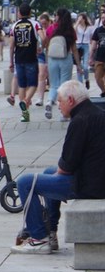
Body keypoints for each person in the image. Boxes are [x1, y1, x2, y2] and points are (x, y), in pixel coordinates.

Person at [12, 80, 105, 254]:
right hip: (96, 179)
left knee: (26, 182)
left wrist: (56, 176)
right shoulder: (98, 113)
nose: (58, 106)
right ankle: (51, 232)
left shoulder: (80, 121)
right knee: (49, 172)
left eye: (59, 102)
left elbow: (67, 167)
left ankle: (39, 238)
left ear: (70, 100)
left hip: (89, 186)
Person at [43, 9, 81, 121]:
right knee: (64, 86)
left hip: (52, 59)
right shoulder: (70, 30)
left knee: (54, 85)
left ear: (58, 17)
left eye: (56, 15)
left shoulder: (51, 28)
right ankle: (64, 115)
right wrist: (78, 64)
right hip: (66, 58)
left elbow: (45, 43)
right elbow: (74, 49)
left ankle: (50, 101)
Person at [9, 3, 42, 123]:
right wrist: (41, 46)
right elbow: (42, 36)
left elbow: (11, 45)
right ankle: (26, 100)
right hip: (31, 58)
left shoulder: (14, 26)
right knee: (33, 84)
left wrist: (10, 61)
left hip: (18, 58)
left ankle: (24, 114)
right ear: (30, 12)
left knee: (22, 85)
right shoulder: (35, 24)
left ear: (19, 13)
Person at [33, 13, 51, 107]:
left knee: (51, 76)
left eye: (45, 23)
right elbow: (36, 41)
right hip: (41, 54)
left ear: (48, 22)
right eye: (42, 24)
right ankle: (40, 98)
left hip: (50, 54)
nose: (43, 25)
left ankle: (52, 97)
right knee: (41, 75)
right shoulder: (39, 30)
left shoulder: (51, 29)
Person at [75, 13, 94, 88]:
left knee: (85, 67)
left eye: (81, 18)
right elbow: (73, 31)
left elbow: (92, 38)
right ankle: (80, 85)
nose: (80, 20)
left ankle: (86, 79)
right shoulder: (77, 26)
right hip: (78, 45)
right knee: (78, 66)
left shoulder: (89, 27)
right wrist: (77, 22)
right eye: (78, 18)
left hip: (86, 45)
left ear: (84, 19)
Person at [90, 10, 105, 97]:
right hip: (99, 57)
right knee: (98, 77)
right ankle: (104, 91)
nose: (104, 19)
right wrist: (91, 57)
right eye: (102, 18)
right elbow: (94, 45)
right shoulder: (98, 30)